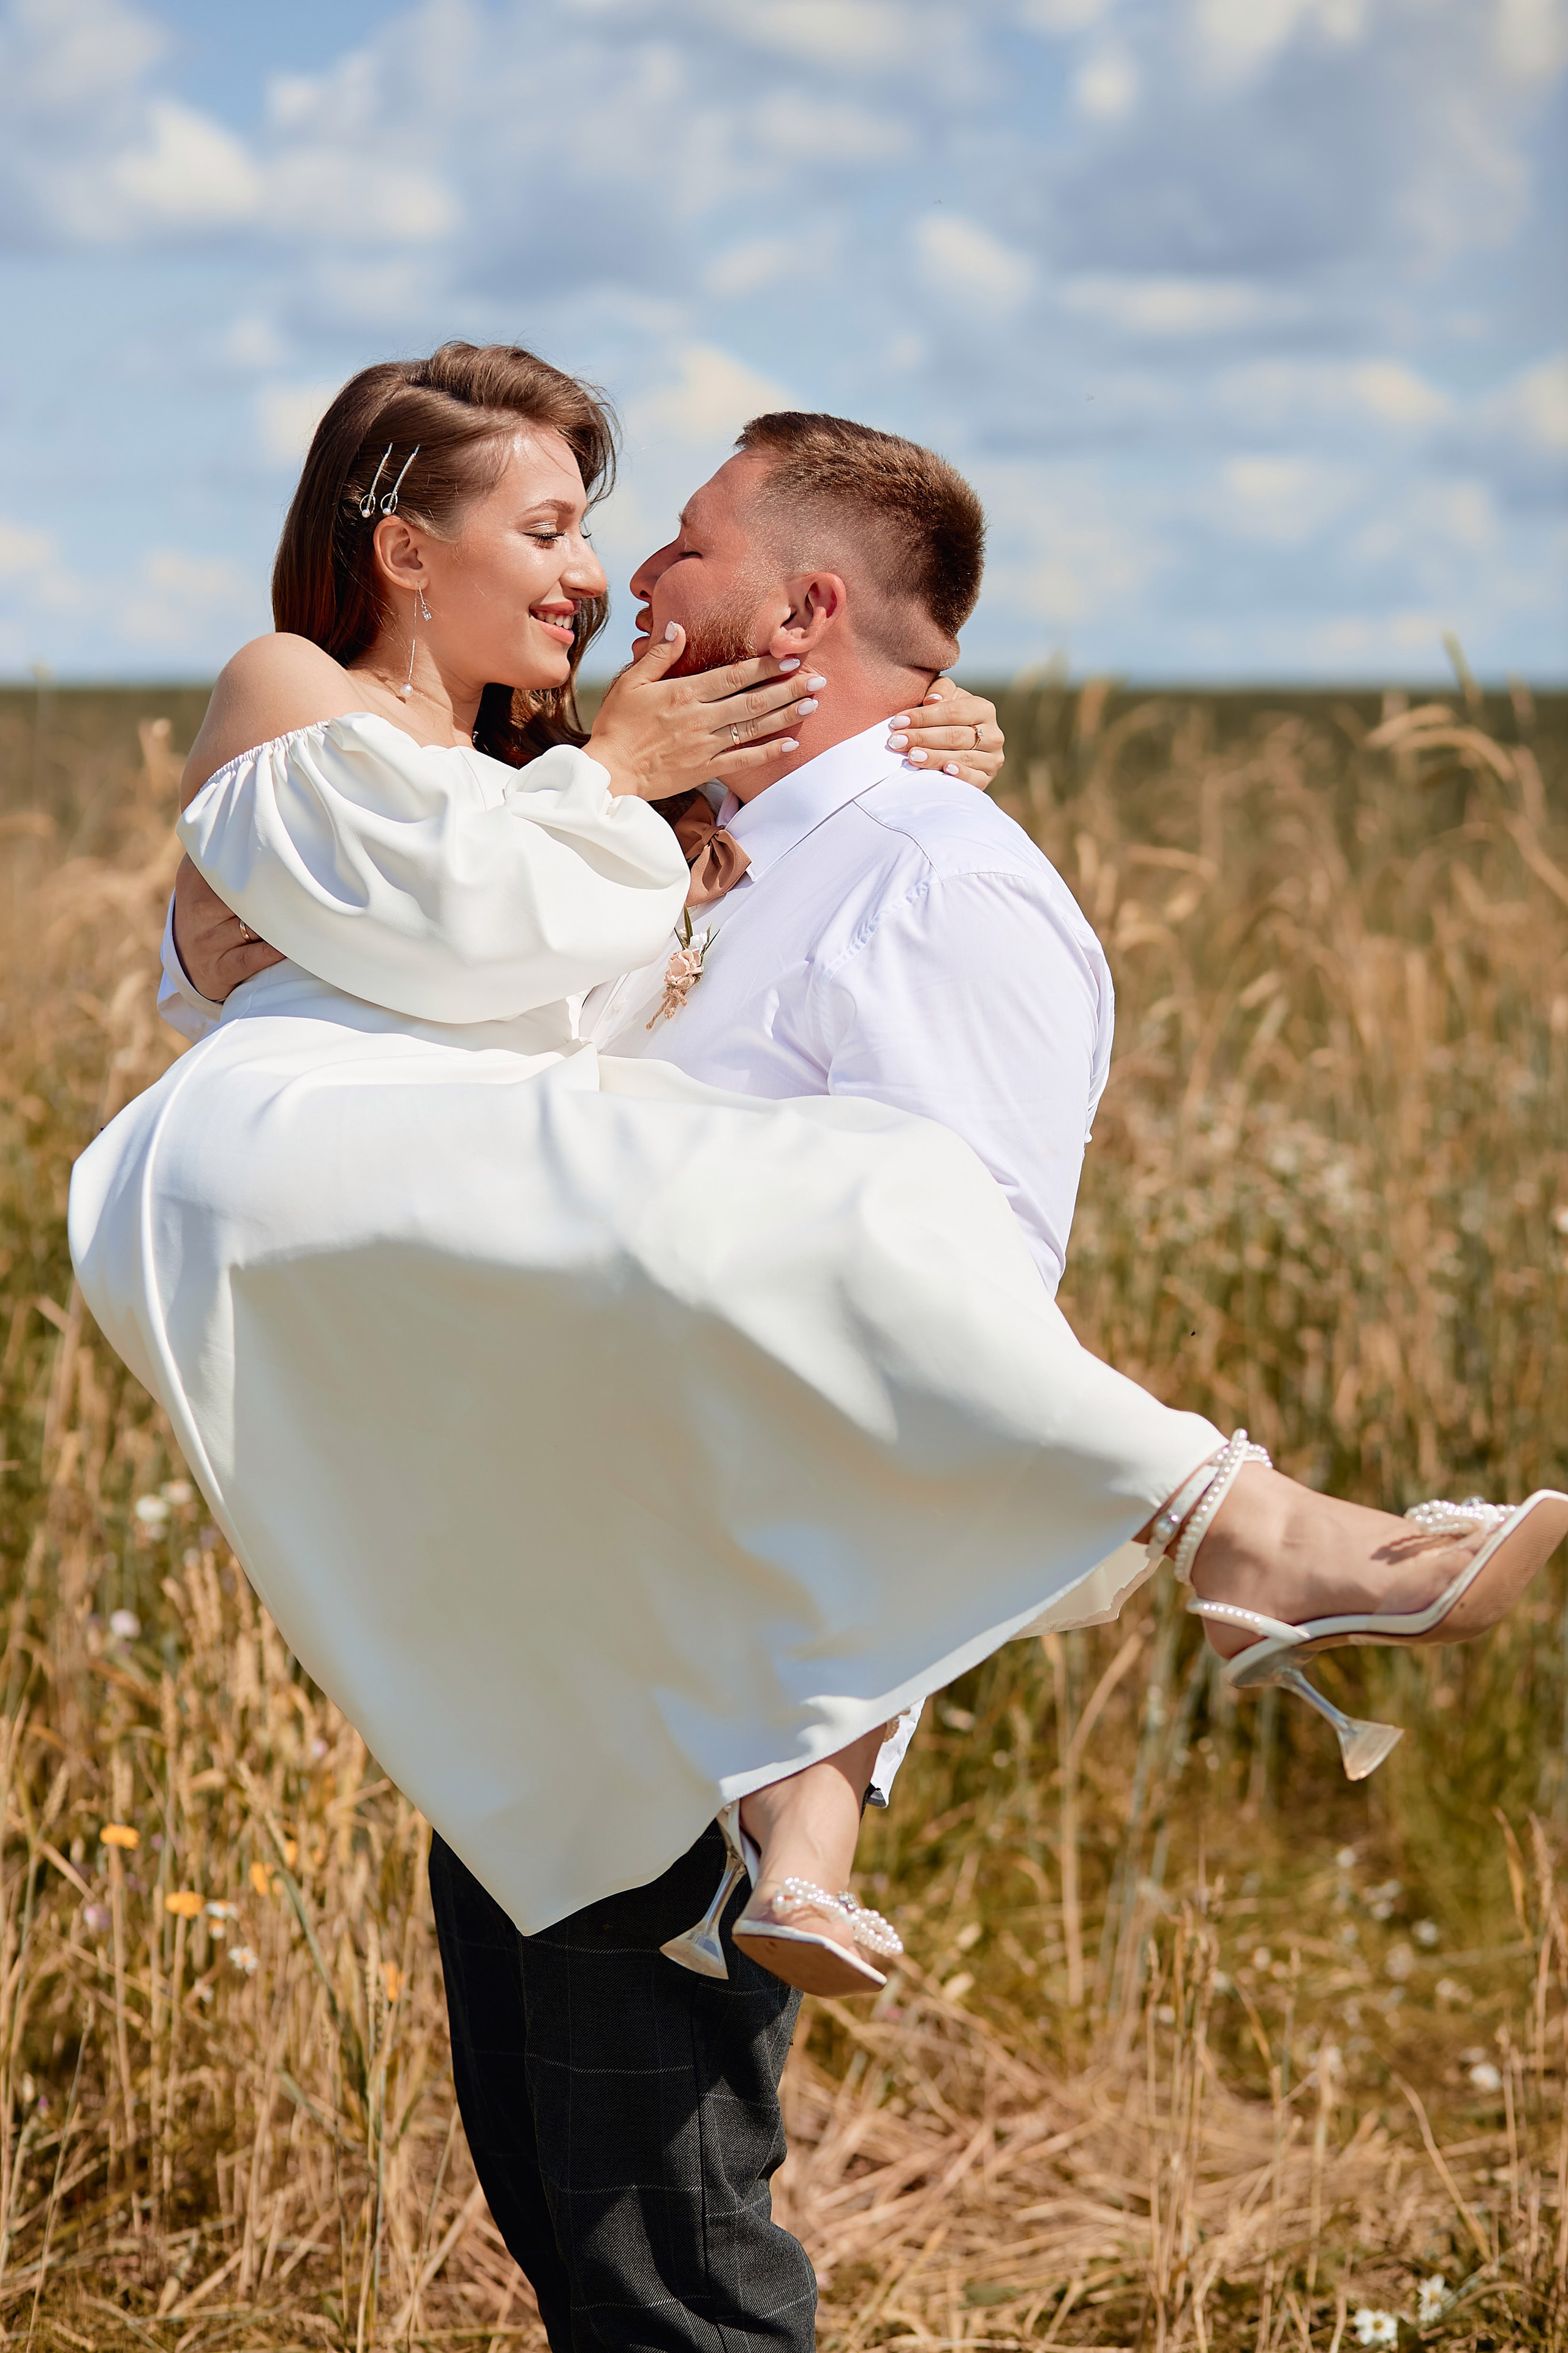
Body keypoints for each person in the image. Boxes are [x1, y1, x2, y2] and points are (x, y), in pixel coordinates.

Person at [75, 342, 1566, 2353]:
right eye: (560, 526)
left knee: (664, 2264)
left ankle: (1240, 1526)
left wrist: (829, 1742)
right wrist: (602, 782)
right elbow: (370, 928)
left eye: (652, 536)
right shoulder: (510, 763)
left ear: (805, 613)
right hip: (538, 1576)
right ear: (404, 548)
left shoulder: (922, 868)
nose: (612, 573)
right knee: (581, 2224)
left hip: (679, 1662)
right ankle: (1233, 1530)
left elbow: (953, 1301)